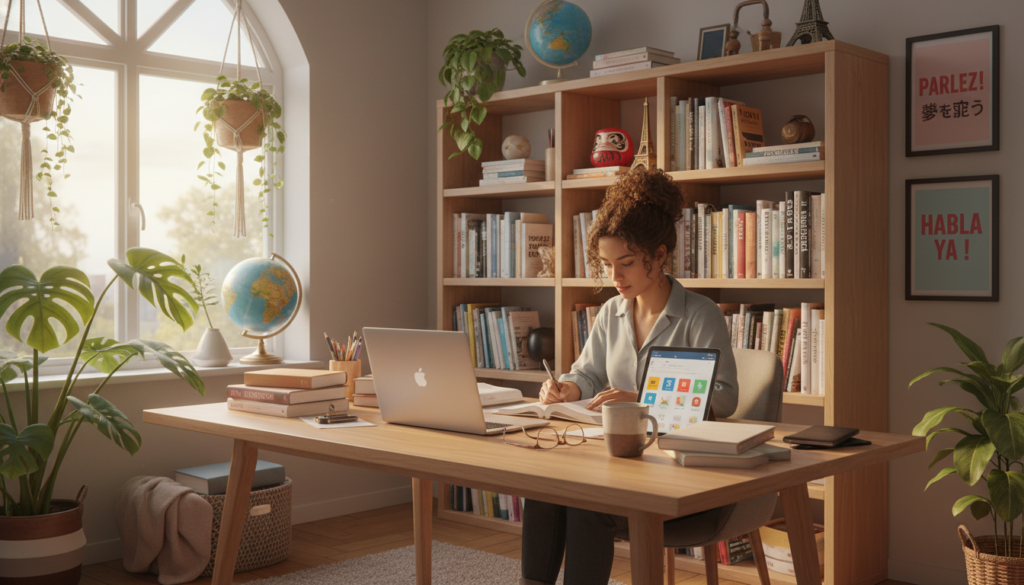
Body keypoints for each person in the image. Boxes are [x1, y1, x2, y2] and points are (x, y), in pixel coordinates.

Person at [520, 168, 738, 585]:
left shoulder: (700, 315)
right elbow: (587, 371)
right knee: (544, 488)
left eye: (626, 264)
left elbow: (725, 398)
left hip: (680, 474)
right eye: (606, 265)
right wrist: (568, 386)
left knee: (586, 503)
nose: (615, 278)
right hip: (619, 463)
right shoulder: (610, 314)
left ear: (658, 256)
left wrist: (642, 401)